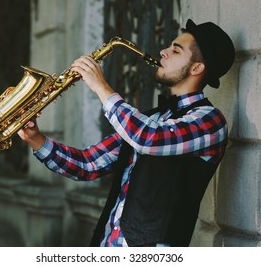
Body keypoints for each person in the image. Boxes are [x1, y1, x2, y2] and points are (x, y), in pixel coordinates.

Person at [17, 19, 235, 247]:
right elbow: (88, 164)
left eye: (175, 50)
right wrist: (37, 140)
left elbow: (149, 139)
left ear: (196, 68)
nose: (163, 52)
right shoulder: (151, 119)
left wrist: (101, 87)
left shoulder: (209, 121)